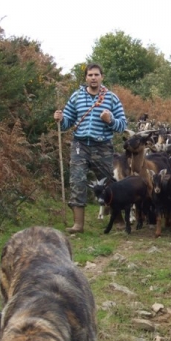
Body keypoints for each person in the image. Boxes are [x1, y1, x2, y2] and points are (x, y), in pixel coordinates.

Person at [54, 63, 127, 233]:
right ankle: (78, 225)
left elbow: (122, 126)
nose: (93, 78)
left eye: (96, 75)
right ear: (86, 78)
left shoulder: (112, 98)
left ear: (102, 77)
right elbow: (67, 123)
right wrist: (60, 118)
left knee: (108, 182)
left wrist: (110, 120)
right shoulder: (76, 97)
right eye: (90, 75)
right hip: (80, 145)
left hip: (103, 146)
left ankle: (118, 219)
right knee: (77, 181)